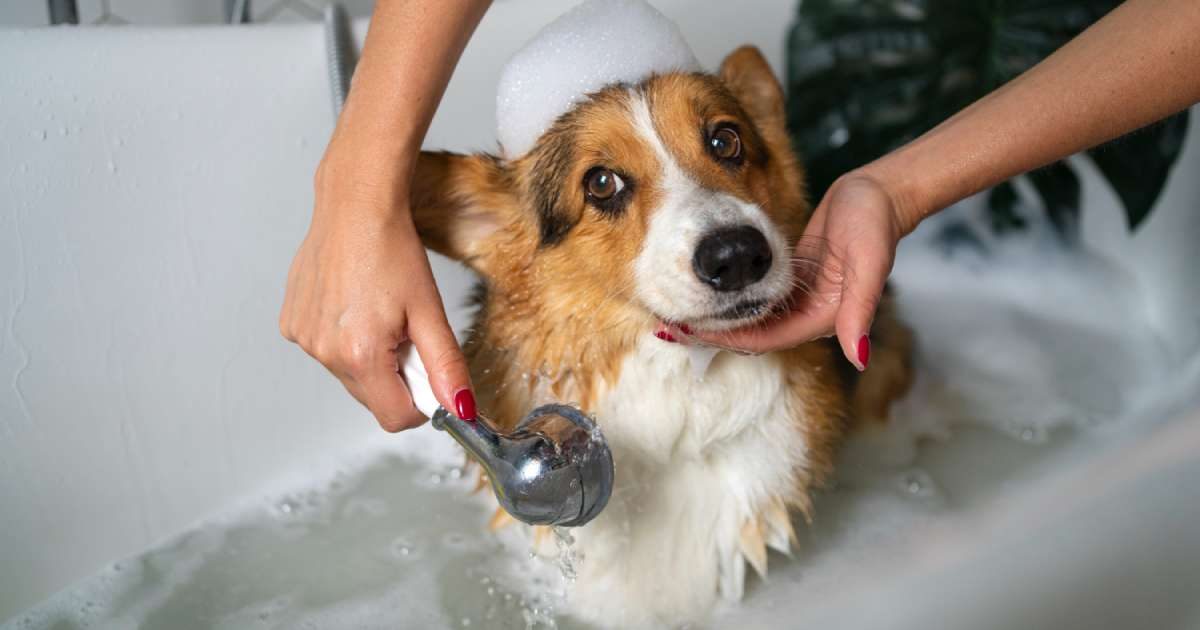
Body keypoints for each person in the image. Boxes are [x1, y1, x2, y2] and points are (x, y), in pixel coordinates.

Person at [280, 0, 1200, 432]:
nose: (722, 225)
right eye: (607, 186)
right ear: (502, 239)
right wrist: (355, 189)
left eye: (724, 144)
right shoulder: (504, 229)